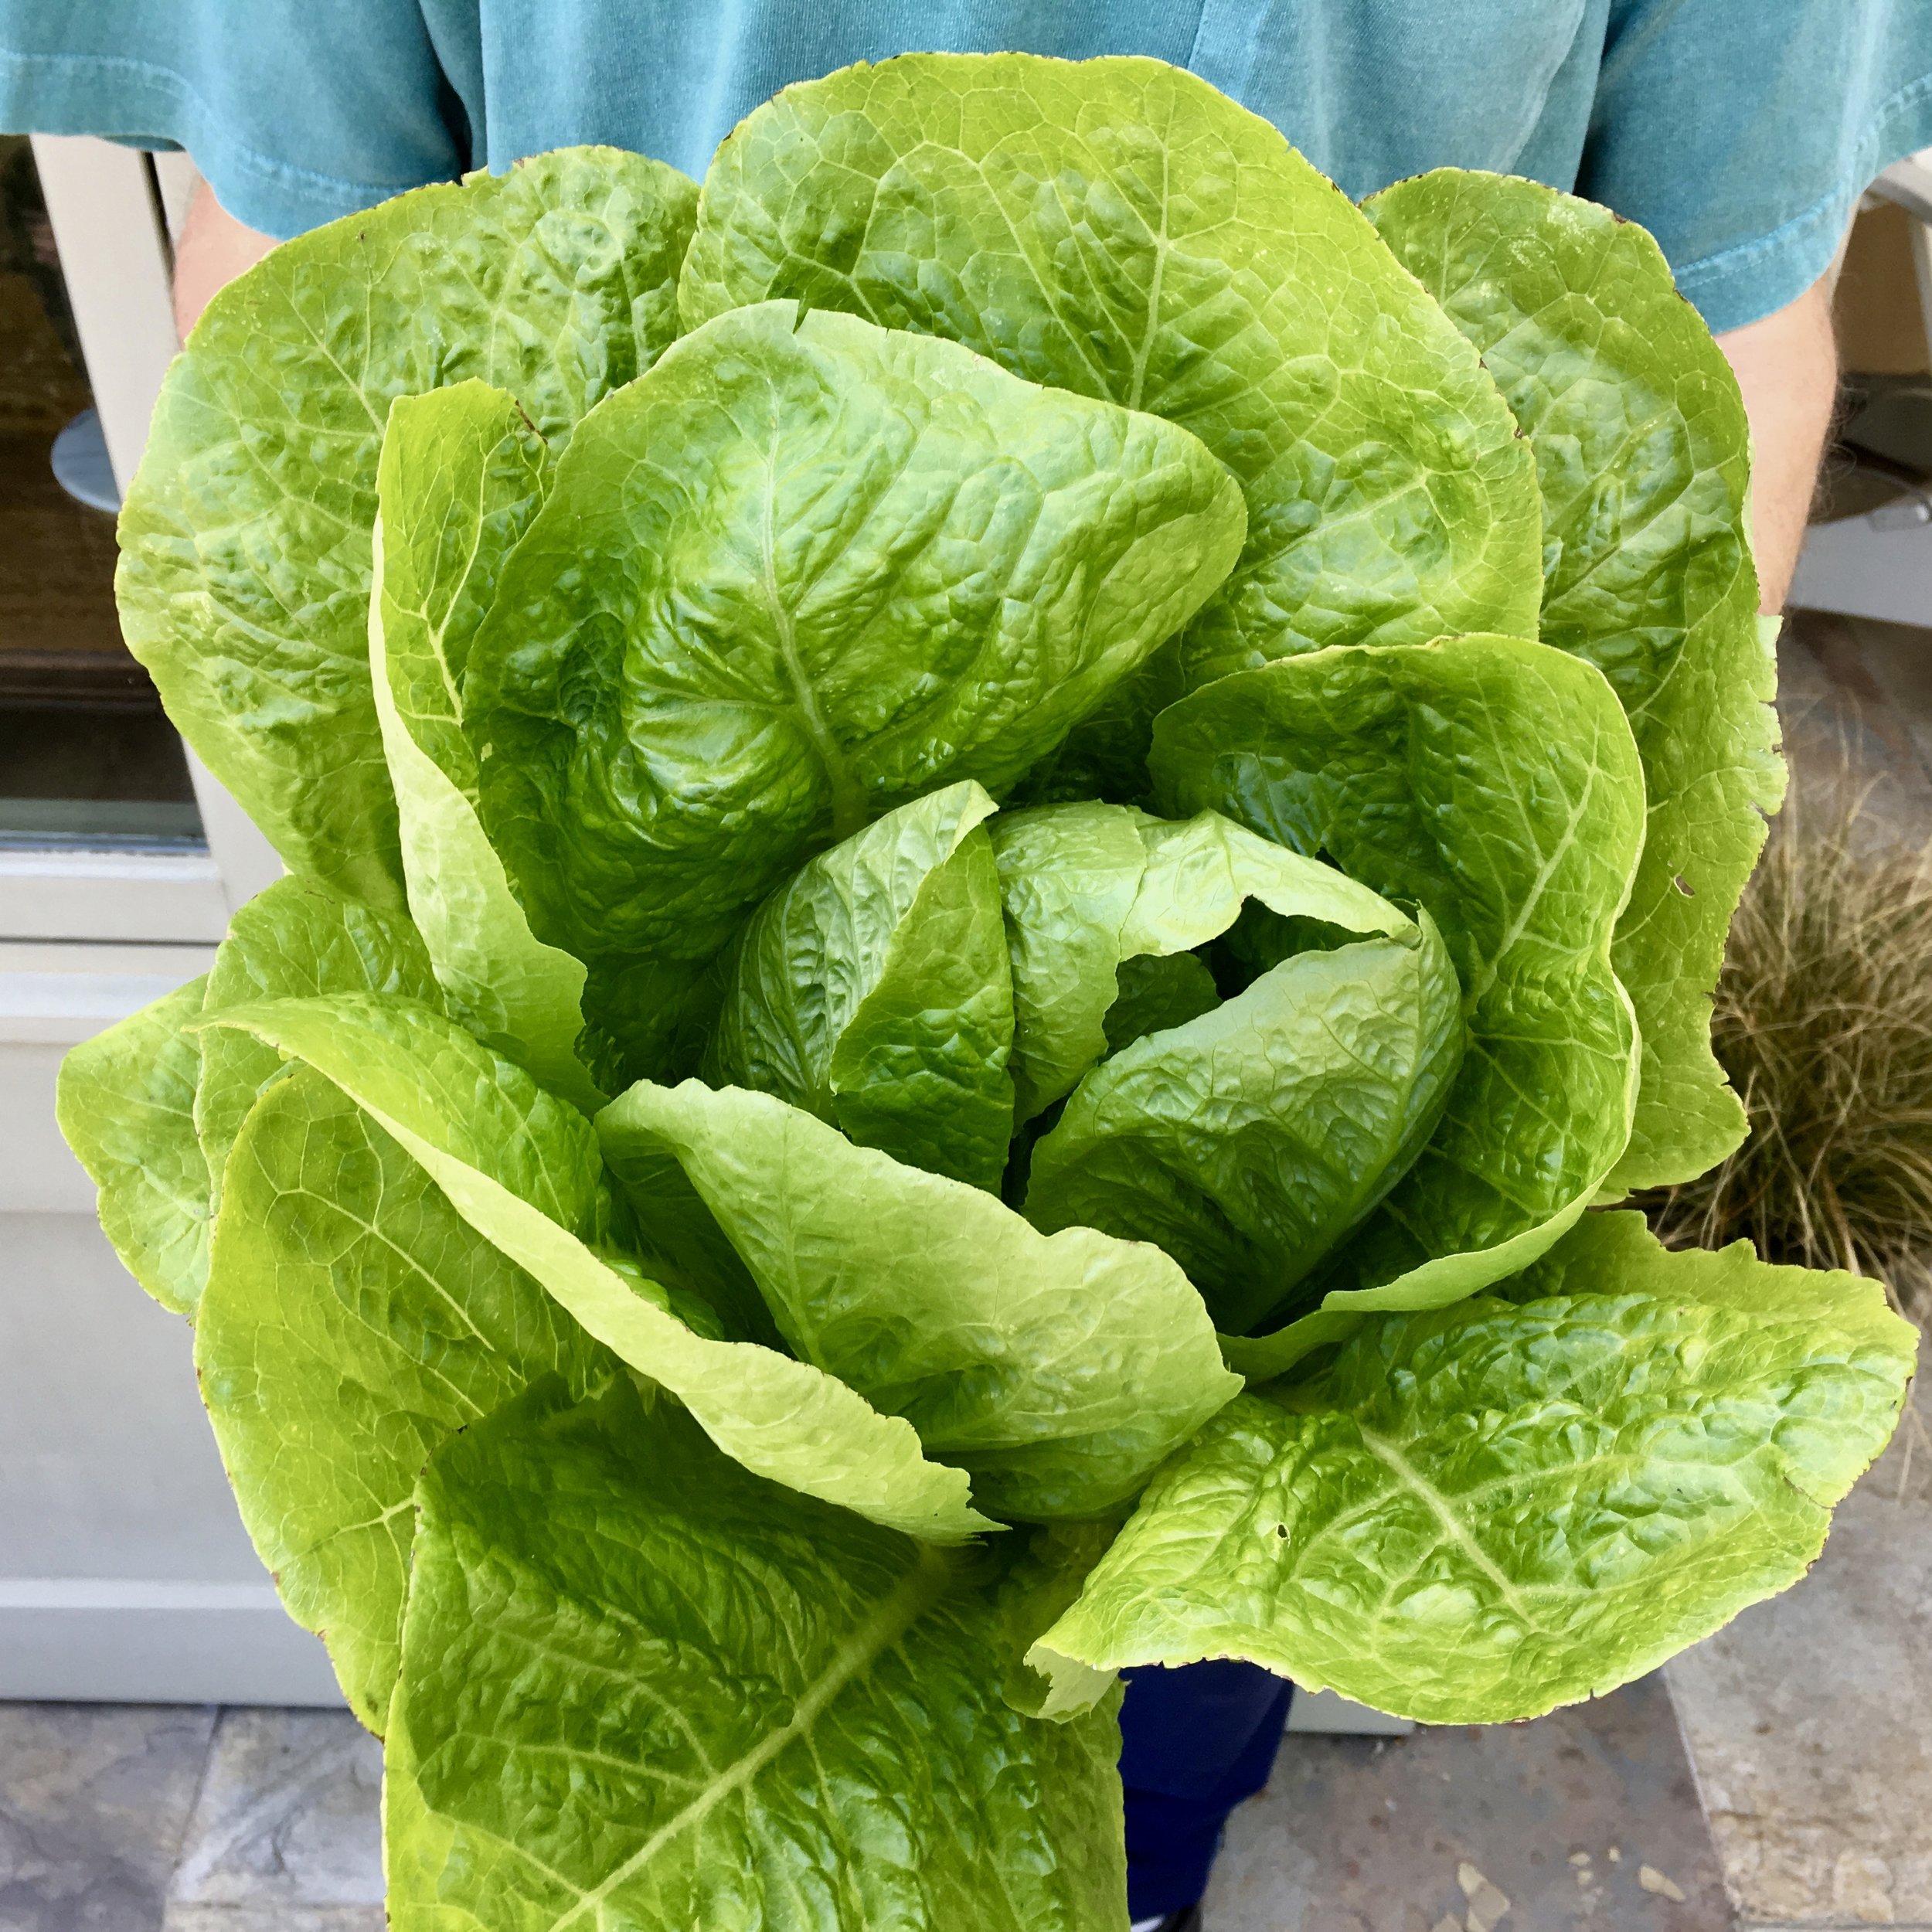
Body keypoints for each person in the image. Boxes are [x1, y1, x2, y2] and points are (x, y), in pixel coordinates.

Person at [3, 4, 1927, 1925]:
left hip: (1280, 1317)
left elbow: (1712, 338)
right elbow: (313, 318)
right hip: (661, 1037)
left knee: (1163, 1738)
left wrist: (1640, 869)